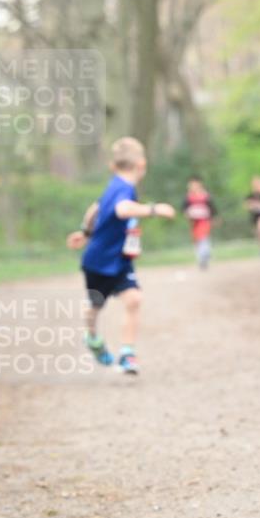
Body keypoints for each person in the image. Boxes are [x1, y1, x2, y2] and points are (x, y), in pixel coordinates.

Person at [66, 137, 175, 374]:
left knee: (134, 299)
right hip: (98, 263)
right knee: (95, 307)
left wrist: (85, 232)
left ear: (113, 165)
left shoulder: (116, 185)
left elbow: (96, 208)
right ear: (142, 165)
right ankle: (92, 338)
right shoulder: (124, 188)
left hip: (120, 260)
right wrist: (155, 209)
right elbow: (121, 209)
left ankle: (127, 353)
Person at [182, 176, 218, 270]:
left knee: (203, 237)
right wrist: (187, 214)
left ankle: (205, 254)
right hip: (194, 222)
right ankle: (201, 257)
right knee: (197, 240)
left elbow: (212, 208)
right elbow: (184, 208)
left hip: (204, 221)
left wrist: (214, 218)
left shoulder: (205, 196)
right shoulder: (189, 197)